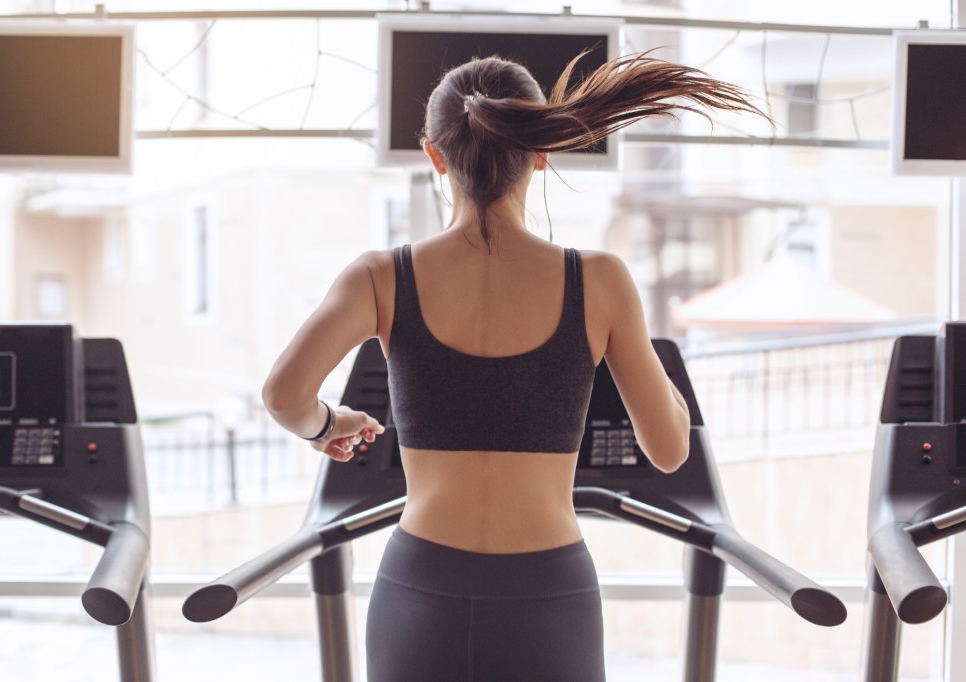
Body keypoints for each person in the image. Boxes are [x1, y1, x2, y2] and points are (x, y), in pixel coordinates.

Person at [262, 50, 765, 681]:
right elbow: (668, 451)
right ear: (542, 153)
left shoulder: (381, 278)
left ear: (434, 157)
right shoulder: (600, 281)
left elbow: (283, 395)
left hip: (420, 587)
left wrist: (327, 424)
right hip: (548, 596)